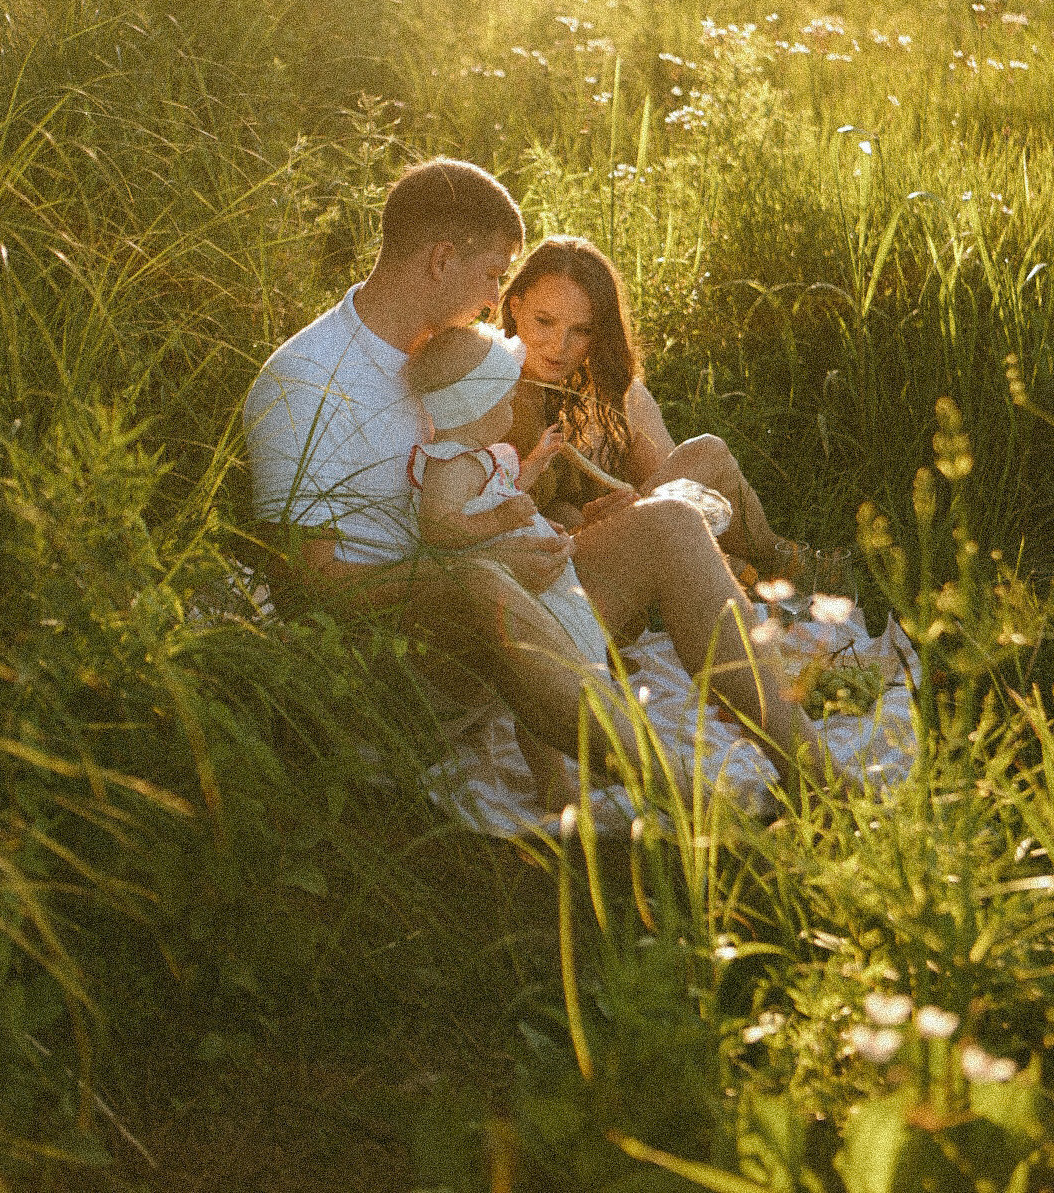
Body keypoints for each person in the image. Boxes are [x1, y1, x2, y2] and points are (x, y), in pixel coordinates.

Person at [244, 157, 823, 786]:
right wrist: (468, 572)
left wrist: (545, 537)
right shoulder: (306, 381)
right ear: (442, 260)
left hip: (510, 611)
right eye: (493, 276)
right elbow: (307, 586)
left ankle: (813, 773)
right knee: (480, 583)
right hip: (406, 654)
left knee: (672, 521)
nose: (497, 300)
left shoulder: (460, 356)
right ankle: (685, 805)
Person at [405, 321, 608, 809]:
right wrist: (502, 520)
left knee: (573, 653)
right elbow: (439, 528)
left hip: (535, 573)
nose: (512, 406)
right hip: (505, 586)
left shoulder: (483, 454)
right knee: (537, 677)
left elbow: (510, 488)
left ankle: (593, 744)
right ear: (474, 409)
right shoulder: (448, 465)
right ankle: (553, 778)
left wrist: (537, 461)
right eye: (503, 400)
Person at [499, 235, 786, 578]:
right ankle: (780, 569)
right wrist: (603, 519)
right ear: (515, 307)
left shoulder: (597, 389)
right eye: (544, 321)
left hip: (618, 532)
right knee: (707, 463)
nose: (559, 346)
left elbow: (679, 489)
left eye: (581, 330)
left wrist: (631, 504)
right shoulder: (485, 381)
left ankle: (778, 566)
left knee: (705, 453)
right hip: (564, 557)